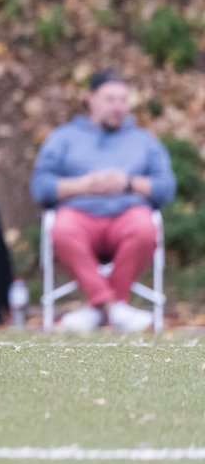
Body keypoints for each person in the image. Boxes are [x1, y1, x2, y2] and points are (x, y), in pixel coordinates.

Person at [31, 69, 175, 333]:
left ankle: (97, 309)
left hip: (127, 213)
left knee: (144, 227)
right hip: (79, 214)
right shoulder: (63, 138)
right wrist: (83, 185)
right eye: (110, 99)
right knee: (61, 228)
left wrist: (129, 183)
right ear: (91, 99)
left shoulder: (144, 141)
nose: (118, 107)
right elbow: (40, 187)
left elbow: (166, 188)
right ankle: (115, 309)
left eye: (123, 100)